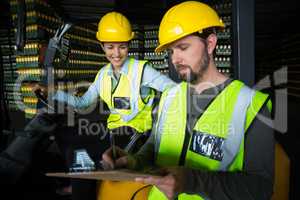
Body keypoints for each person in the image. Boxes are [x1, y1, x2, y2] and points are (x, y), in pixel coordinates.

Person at [102, 1, 275, 200]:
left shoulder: (251, 105)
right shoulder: (169, 96)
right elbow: (154, 147)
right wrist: (133, 161)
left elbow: (260, 187)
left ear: (210, 44)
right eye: (171, 51)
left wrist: (193, 181)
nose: (175, 59)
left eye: (183, 47)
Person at [32, 11, 176, 200]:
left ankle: (80, 193)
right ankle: (80, 182)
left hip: (135, 133)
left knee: (78, 153)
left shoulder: (142, 71)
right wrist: (53, 92)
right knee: (63, 134)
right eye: (110, 47)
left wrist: (159, 118)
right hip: (113, 131)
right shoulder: (103, 75)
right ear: (102, 46)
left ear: (128, 45)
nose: (116, 53)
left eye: (122, 47)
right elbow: (83, 103)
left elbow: (174, 90)